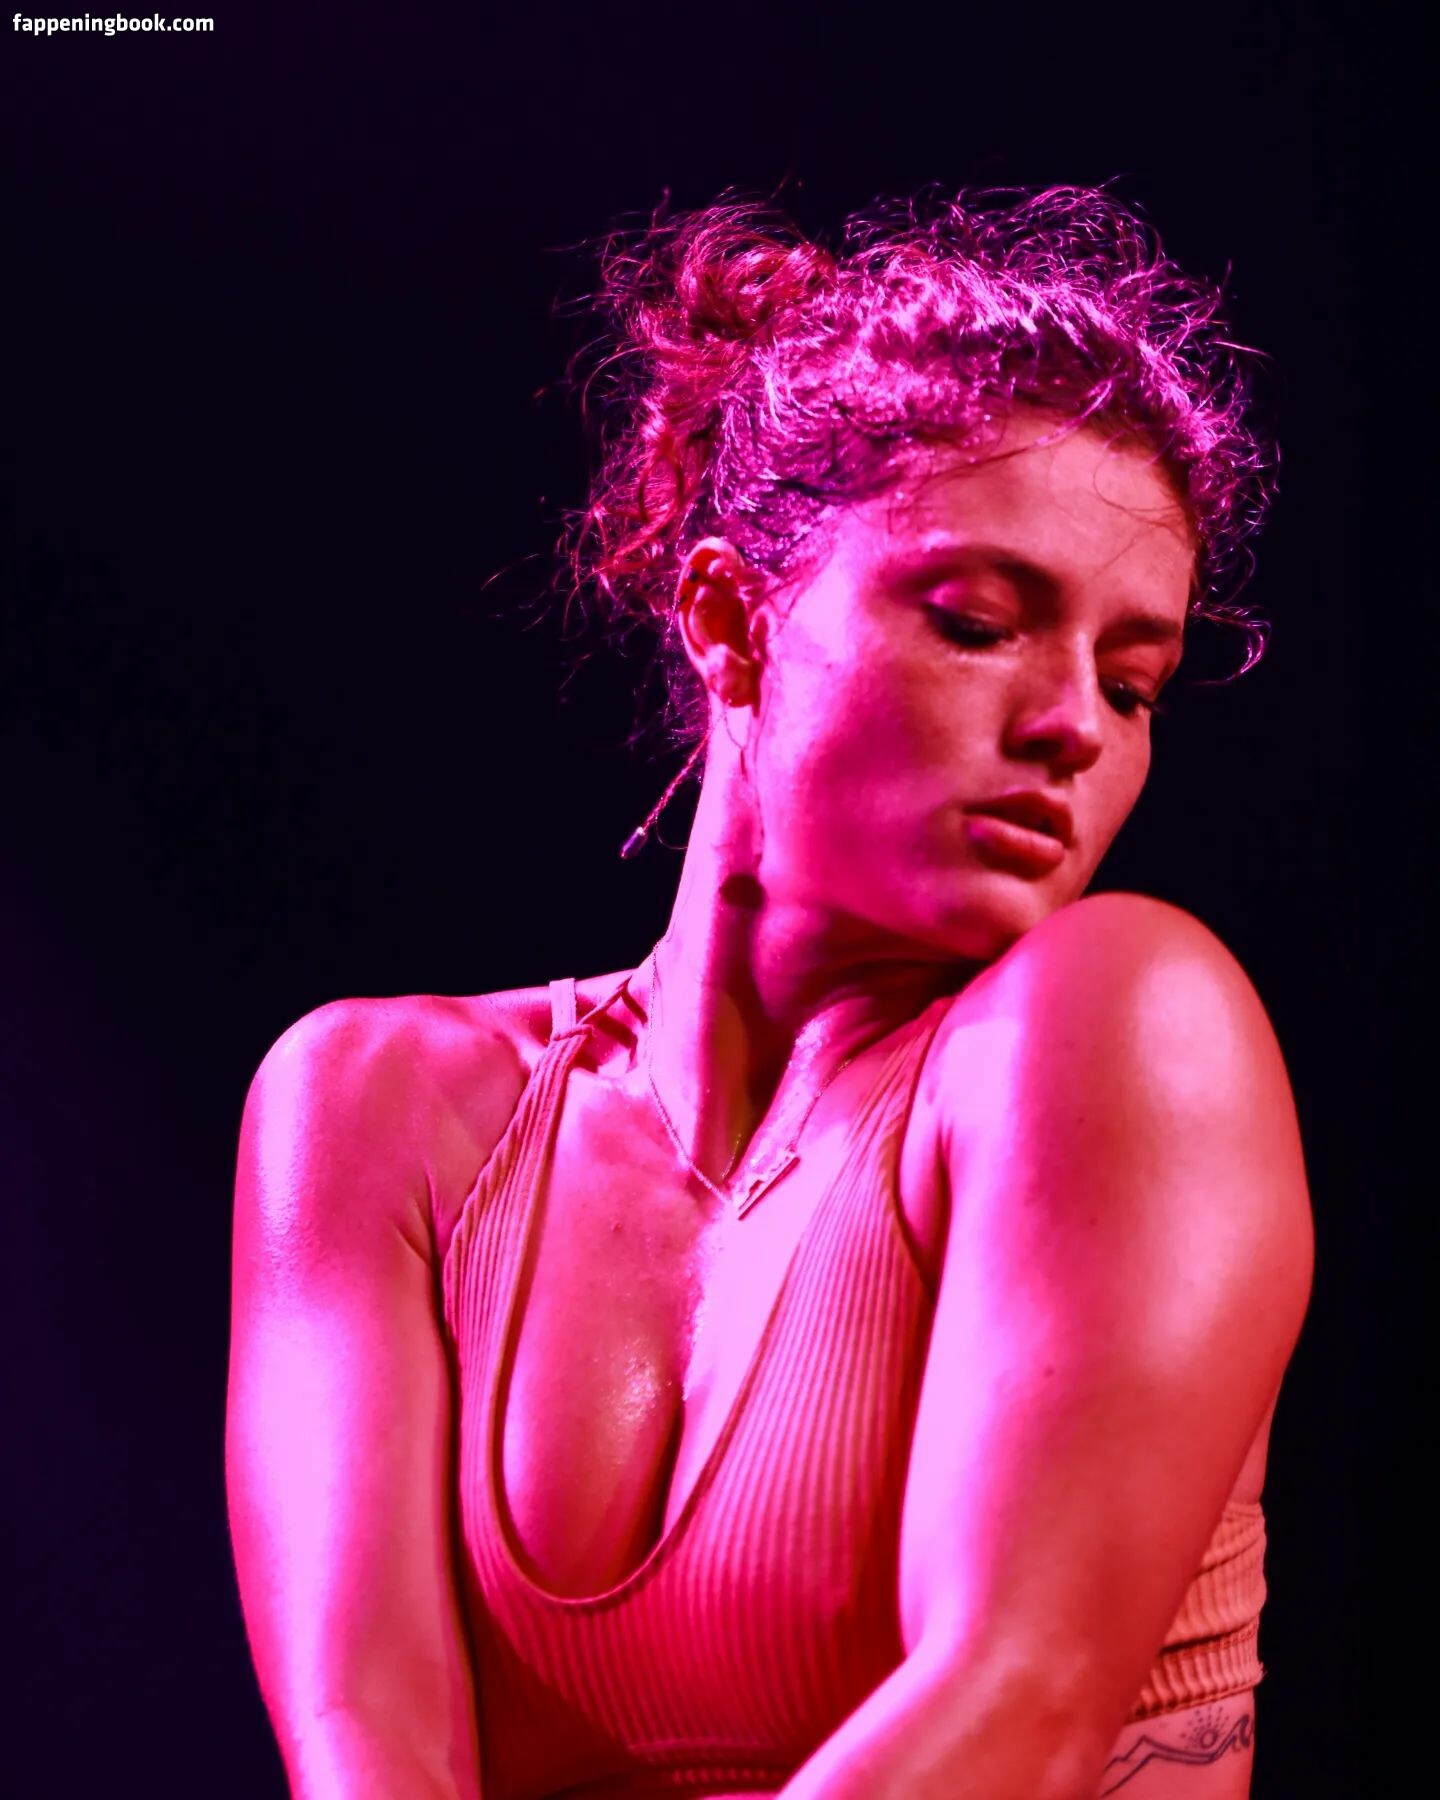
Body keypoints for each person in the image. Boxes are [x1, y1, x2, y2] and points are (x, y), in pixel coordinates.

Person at [225, 186, 1315, 1800]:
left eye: (1132, 678)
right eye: (980, 624)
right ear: (733, 620)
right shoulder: (381, 1109)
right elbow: (362, 1749)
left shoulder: (1120, 1025)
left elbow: (1014, 1707)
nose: (1076, 723)